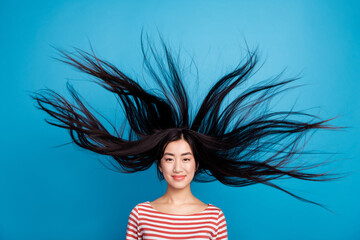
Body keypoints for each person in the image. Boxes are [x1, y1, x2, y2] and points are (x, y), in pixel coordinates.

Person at [32, 36, 344, 239]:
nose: (178, 166)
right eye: (169, 158)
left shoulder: (213, 217)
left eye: (186, 158)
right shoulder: (140, 214)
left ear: (197, 165)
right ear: (159, 165)